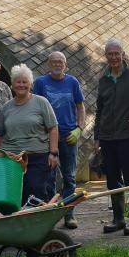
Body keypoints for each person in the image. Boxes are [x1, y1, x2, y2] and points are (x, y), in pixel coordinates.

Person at [93, 38, 129, 235]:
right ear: (106, 56)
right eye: (110, 54)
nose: (114, 57)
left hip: (128, 136)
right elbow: (99, 110)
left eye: (117, 53)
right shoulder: (103, 79)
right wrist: (97, 136)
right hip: (107, 137)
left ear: (123, 55)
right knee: (113, 179)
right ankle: (118, 219)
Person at [33, 51, 85, 229]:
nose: (57, 64)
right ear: (48, 64)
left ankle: (69, 214)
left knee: (70, 177)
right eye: (54, 62)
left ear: (66, 65)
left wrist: (79, 128)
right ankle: (51, 214)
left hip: (69, 137)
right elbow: (35, 107)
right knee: (49, 177)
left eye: (60, 62)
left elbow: (80, 106)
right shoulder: (40, 83)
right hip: (48, 138)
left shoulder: (72, 82)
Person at [0, 64, 59, 205]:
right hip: (11, 158)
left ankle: (38, 222)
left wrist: (53, 153)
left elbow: (53, 128)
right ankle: (18, 223)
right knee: (14, 193)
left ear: (30, 84)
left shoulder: (41, 102)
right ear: (12, 85)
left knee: (35, 190)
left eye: (25, 82)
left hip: (37, 156)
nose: (21, 85)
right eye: (18, 81)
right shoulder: (7, 107)